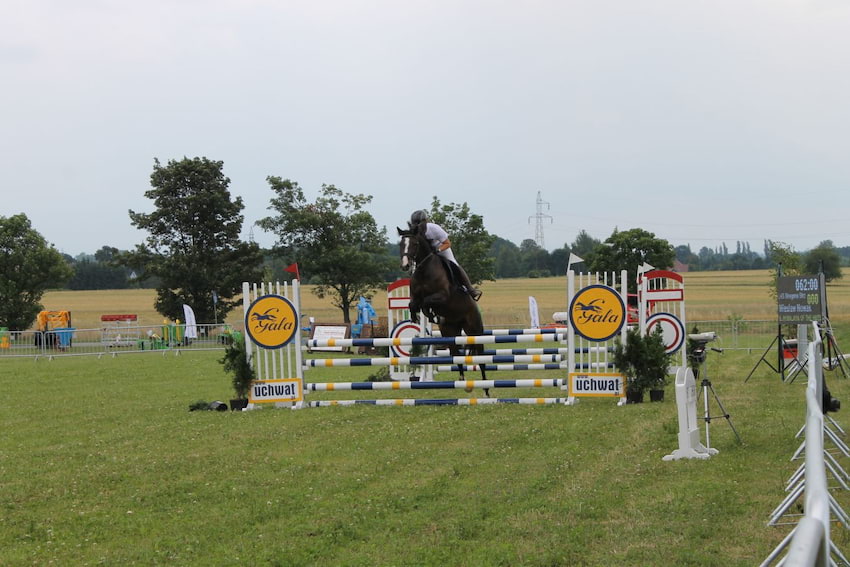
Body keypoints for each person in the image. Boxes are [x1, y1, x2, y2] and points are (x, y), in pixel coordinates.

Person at [409, 210, 482, 301]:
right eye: (415, 224)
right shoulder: (413, 231)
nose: (417, 227)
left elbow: (447, 243)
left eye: (418, 224)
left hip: (441, 249)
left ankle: (470, 289)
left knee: (454, 265)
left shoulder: (434, 228)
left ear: (425, 222)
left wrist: (438, 250)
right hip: (427, 254)